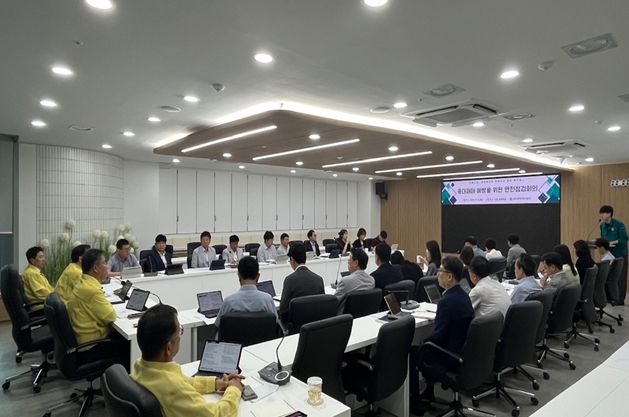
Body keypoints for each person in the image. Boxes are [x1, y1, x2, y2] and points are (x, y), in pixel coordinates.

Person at [131, 304, 244, 417]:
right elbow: (216, 414)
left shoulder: (142, 365)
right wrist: (234, 389)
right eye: (179, 331)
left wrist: (216, 383)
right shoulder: (173, 388)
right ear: (169, 348)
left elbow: (184, 381)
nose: (180, 336)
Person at [416, 256, 474, 403]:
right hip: (462, 353)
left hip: (448, 357)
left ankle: (415, 401)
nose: (437, 274)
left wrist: (423, 343)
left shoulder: (446, 301)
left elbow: (437, 336)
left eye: (440, 271)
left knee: (413, 352)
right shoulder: (464, 296)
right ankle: (428, 392)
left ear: (449, 276)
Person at [66, 249, 117, 362]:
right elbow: (111, 316)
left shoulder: (83, 283)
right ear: (95, 268)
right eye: (104, 263)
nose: (107, 266)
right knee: (126, 343)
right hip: (91, 347)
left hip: (82, 341)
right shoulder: (91, 290)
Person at [214, 257, 278, 330]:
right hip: (263, 337)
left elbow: (218, 324)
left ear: (239, 276)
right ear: (258, 276)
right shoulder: (267, 300)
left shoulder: (228, 302)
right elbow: (275, 322)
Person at [279, 244, 324, 323]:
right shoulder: (319, 279)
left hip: (296, 327)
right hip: (315, 325)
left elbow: (283, 310)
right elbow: (323, 306)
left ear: (292, 259)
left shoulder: (289, 280)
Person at [599, 205, 628, 305]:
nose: (601, 215)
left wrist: (614, 242)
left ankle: (620, 299)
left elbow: (625, 238)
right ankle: (611, 297)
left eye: (603, 213)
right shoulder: (602, 225)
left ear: (609, 214)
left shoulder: (619, 224)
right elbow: (603, 238)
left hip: (620, 254)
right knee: (610, 276)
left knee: (621, 277)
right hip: (609, 254)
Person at [334, 248, 375, 314]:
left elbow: (334, 302)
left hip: (345, 317)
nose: (348, 262)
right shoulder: (371, 280)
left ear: (356, 263)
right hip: (365, 316)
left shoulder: (345, 281)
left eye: (349, 260)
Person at [22, 246, 53, 311]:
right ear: (32, 260)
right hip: (39, 307)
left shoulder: (34, 272)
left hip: (44, 304)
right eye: (40, 257)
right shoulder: (31, 274)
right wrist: (57, 297)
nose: (43, 259)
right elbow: (41, 293)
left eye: (43, 257)